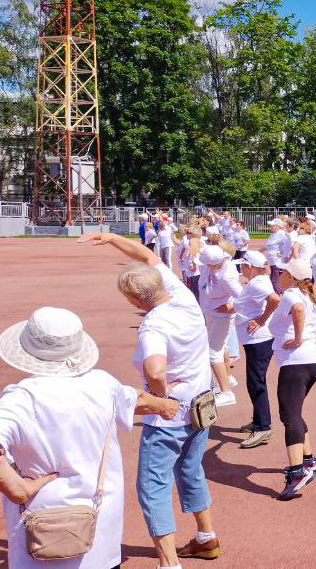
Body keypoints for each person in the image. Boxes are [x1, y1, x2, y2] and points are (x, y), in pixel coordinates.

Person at [0, 307, 180, 569]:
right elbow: (137, 398)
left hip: (38, 526)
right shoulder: (103, 384)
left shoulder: (19, 399)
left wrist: (18, 488)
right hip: (98, 525)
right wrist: (166, 405)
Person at [77, 232, 222, 564]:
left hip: (169, 416)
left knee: (153, 487)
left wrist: (160, 396)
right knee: (191, 469)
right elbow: (146, 255)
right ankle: (206, 537)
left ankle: (169, 562)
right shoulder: (183, 297)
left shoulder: (153, 325)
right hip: (201, 407)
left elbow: (155, 370)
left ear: (134, 299)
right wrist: (110, 237)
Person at [265, 258, 316, 501]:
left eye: (282, 272)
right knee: (295, 413)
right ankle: (309, 461)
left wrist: (298, 338)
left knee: (289, 417)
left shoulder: (291, 295)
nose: (278, 274)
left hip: (297, 361)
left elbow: (297, 311)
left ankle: (297, 471)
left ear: (291, 277)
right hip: (312, 361)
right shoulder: (305, 293)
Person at [232, 250, 280, 449]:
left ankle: (262, 427)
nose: (241, 268)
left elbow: (275, 299)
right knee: (254, 381)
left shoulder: (258, 282)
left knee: (256, 382)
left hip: (259, 340)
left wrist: (261, 320)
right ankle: (258, 420)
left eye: (243, 265)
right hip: (256, 340)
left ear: (250, 267)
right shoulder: (257, 281)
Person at [198, 244, 242, 406]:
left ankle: (226, 392)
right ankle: (227, 378)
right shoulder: (215, 264)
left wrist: (232, 307)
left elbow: (243, 297)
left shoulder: (227, 275)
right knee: (221, 347)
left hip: (221, 316)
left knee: (212, 353)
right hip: (211, 312)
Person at [264, 218, 289, 293]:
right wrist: (257, 252)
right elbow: (266, 246)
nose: (270, 227)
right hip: (272, 262)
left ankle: (278, 297)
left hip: (276, 261)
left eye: (272, 225)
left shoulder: (281, 233)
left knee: (275, 281)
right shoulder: (272, 234)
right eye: (270, 225)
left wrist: (282, 253)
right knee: (273, 280)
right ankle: (279, 296)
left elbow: (287, 244)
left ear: (278, 226)